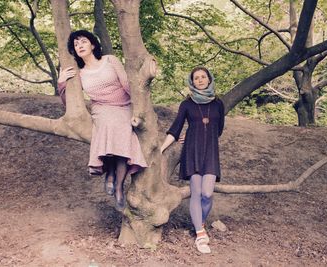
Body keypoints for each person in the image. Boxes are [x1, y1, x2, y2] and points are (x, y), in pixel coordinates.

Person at [57, 30, 147, 211]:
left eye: (83, 41)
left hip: (124, 106)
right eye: (76, 44)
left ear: (93, 44)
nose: (80, 45)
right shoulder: (79, 74)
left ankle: (119, 185)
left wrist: (140, 107)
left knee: (123, 133)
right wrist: (61, 82)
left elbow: (126, 83)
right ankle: (110, 174)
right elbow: (70, 103)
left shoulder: (110, 60)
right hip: (101, 109)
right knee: (109, 124)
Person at [160, 66, 225, 254]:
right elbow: (175, 128)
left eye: (203, 77)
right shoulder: (186, 104)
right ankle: (200, 233)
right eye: (196, 78)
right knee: (196, 192)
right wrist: (162, 147)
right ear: (192, 82)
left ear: (209, 79)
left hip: (211, 151)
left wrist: (198, 132)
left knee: (208, 193)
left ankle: (200, 222)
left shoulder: (218, 103)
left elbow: (218, 129)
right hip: (192, 151)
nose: (200, 80)